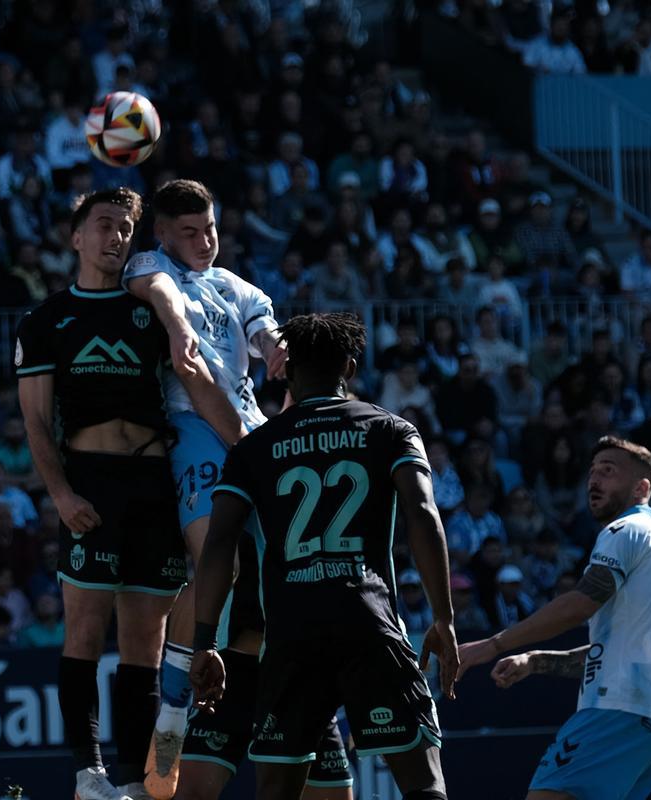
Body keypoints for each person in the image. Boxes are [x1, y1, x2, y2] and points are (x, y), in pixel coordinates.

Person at [16, 188, 243, 800]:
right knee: (85, 631)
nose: (116, 236)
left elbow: (194, 376)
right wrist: (60, 494)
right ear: (76, 237)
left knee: (147, 640)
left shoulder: (147, 305)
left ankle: (141, 780)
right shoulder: (45, 321)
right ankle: (88, 773)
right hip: (90, 483)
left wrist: (246, 446)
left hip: (153, 484)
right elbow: (35, 420)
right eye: (104, 224)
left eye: (125, 227)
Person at [190, 313, 458, 800]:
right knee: (424, 783)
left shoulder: (254, 448)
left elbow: (219, 544)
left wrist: (206, 641)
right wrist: (443, 617)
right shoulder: (391, 429)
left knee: (277, 791)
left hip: (290, 636)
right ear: (350, 368)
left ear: (288, 372)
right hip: (368, 623)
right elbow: (422, 514)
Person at [122, 179, 285, 797]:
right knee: (217, 560)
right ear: (163, 233)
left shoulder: (234, 285)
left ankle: (293, 679)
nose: (204, 241)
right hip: (195, 429)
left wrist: (279, 350)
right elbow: (157, 289)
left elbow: (267, 332)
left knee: (285, 558)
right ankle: (170, 714)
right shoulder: (151, 265)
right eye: (189, 232)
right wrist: (175, 325)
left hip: (252, 429)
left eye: (210, 228)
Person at [457, 437, 651, 800]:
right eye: (593, 472)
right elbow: (613, 652)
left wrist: (495, 643)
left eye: (608, 471)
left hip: (615, 711)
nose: (594, 480)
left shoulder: (625, 530)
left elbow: (580, 604)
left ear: (642, 488)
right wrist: (535, 661)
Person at [175, 535, 354, 800]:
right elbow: (206, 565)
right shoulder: (233, 515)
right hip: (233, 669)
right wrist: (172, 701)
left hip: (301, 671)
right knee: (191, 793)